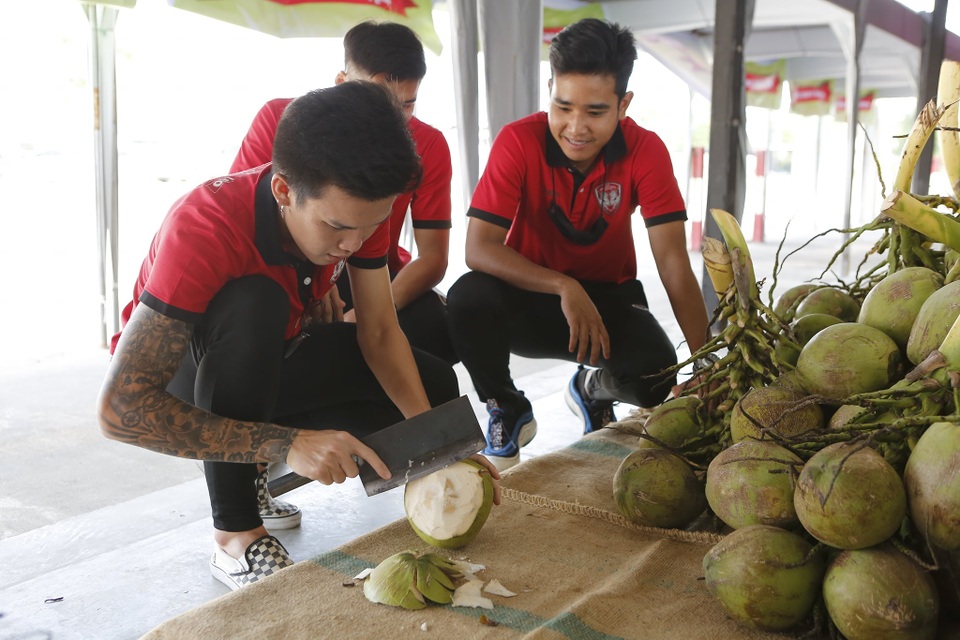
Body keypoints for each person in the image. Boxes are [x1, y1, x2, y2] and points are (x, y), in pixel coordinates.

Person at [97, 83, 500, 591]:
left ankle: (254, 465)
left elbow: (378, 330)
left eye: (369, 226)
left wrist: (436, 445)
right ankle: (236, 535)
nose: (352, 244)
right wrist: (288, 443)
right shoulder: (203, 226)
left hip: (274, 362)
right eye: (336, 228)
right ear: (284, 190)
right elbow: (120, 410)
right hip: (189, 383)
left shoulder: (355, 208)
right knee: (256, 302)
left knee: (436, 387)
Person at [446, 18, 710, 471]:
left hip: (609, 304)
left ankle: (592, 388)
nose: (575, 127)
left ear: (623, 104)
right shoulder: (517, 141)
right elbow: (479, 249)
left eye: (595, 111)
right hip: (533, 299)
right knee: (466, 296)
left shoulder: (647, 151)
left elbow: (672, 262)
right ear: (550, 88)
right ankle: (506, 406)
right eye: (563, 106)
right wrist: (565, 286)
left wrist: (706, 362)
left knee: (654, 379)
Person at [231, 20, 456, 366]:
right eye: (379, 99)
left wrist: (366, 315)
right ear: (342, 83)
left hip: (373, 272)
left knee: (442, 327)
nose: (391, 120)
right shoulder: (282, 120)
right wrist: (318, 279)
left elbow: (433, 258)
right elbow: (245, 219)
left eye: (408, 105)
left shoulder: (430, 144)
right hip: (288, 268)